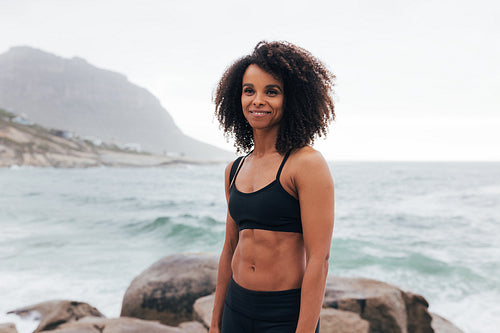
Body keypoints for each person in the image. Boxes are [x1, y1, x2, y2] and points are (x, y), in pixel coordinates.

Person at [210, 41, 335, 333]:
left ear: (291, 99)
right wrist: (215, 322)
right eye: (249, 90)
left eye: (272, 91)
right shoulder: (235, 169)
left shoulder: (306, 164)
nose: (257, 100)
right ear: (237, 97)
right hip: (236, 308)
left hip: (282, 316)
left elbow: (319, 259)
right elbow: (229, 249)